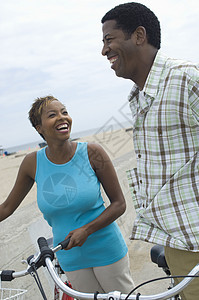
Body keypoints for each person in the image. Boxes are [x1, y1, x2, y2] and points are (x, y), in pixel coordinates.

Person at [101, 2, 199, 300]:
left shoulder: (185, 78)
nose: (104, 50)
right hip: (179, 239)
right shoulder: (140, 97)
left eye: (109, 39)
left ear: (139, 35)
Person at [0, 95, 134, 295]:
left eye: (65, 112)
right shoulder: (31, 163)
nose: (63, 118)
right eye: (53, 115)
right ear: (39, 127)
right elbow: (6, 208)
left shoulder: (92, 152)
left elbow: (119, 204)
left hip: (106, 249)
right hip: (69, 256)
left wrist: (86, 230)